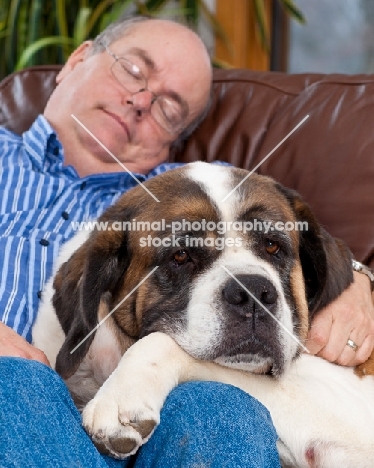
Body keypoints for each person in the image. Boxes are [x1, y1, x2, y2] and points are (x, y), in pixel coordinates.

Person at [0, 14, 373, 468]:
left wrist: (355, 279)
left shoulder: (213, 190)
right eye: (133, 69)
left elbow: (299, 246)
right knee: (14, 386)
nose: (140, 100)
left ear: (179, 138)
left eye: (169, 107)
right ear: (76, 59)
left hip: (178, 417)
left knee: (218, 410)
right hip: (26, 401)